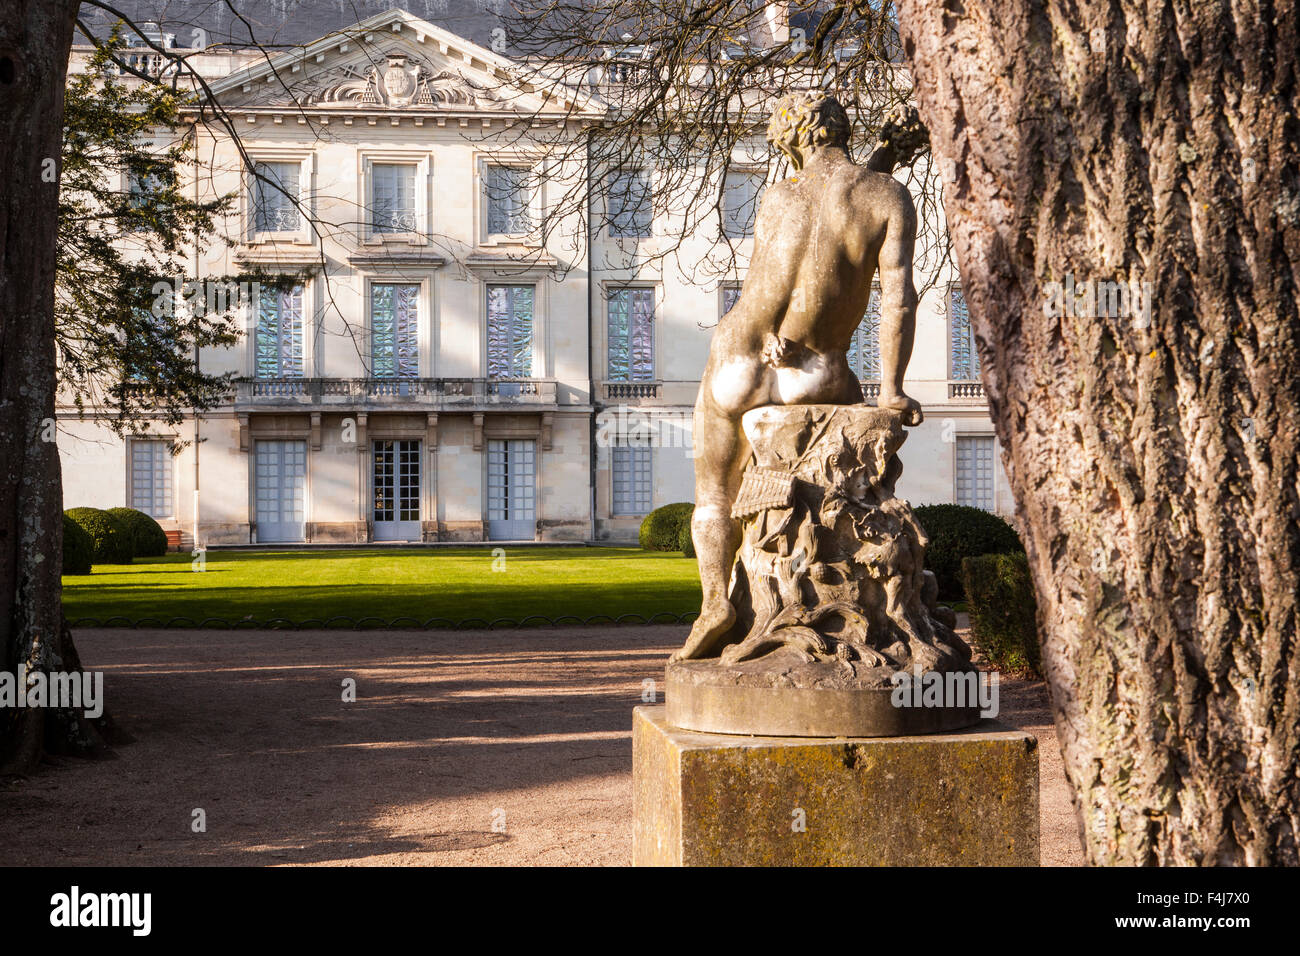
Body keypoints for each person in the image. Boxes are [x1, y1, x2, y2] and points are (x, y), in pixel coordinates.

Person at [673, 91, 923, 662]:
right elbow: (897, 300)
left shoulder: (778, 197)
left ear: (791, 141)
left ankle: (715, 602)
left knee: (712, 492)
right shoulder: (886, 196)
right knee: (855, 422)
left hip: (742, 354)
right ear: (842, 130)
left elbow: (785, 273)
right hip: (815, 369)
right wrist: (890, 389)